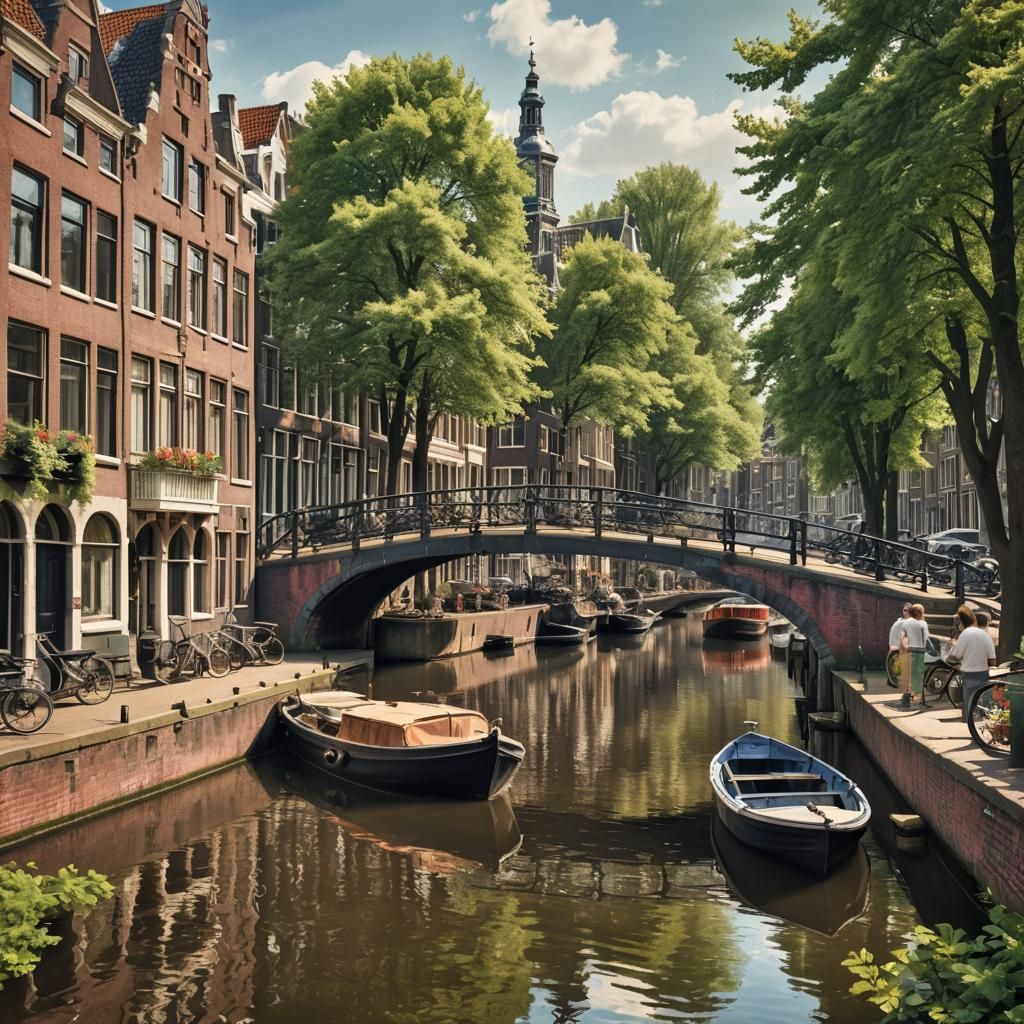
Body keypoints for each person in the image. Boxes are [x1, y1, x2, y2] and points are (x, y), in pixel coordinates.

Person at [948, 609, 997, 721]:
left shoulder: (965, 633)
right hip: (983, 672)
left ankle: (968, 719)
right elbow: (992, 657)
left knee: (969, 696)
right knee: (983, 695)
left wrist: (957, 663)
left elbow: (956, 655)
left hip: (968, 672)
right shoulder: (985, 635)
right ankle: (982, 718)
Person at [900, 604, 930, 708]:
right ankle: (917, 698)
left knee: (910, 674)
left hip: (909, 650)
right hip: (920, 651)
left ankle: (907, 695)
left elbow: (903, 636)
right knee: (918, 675)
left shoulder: (906, 622)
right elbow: (926, 637)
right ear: (920, 613)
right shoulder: (923, 623)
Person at [888, 604, 912, 696]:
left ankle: (905, 692)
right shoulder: (906, 623)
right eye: (905, 610)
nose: (906, 612)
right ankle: (906, 694)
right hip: (899, 649)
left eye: (907, 610)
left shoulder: (899, 620)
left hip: (893, 649)